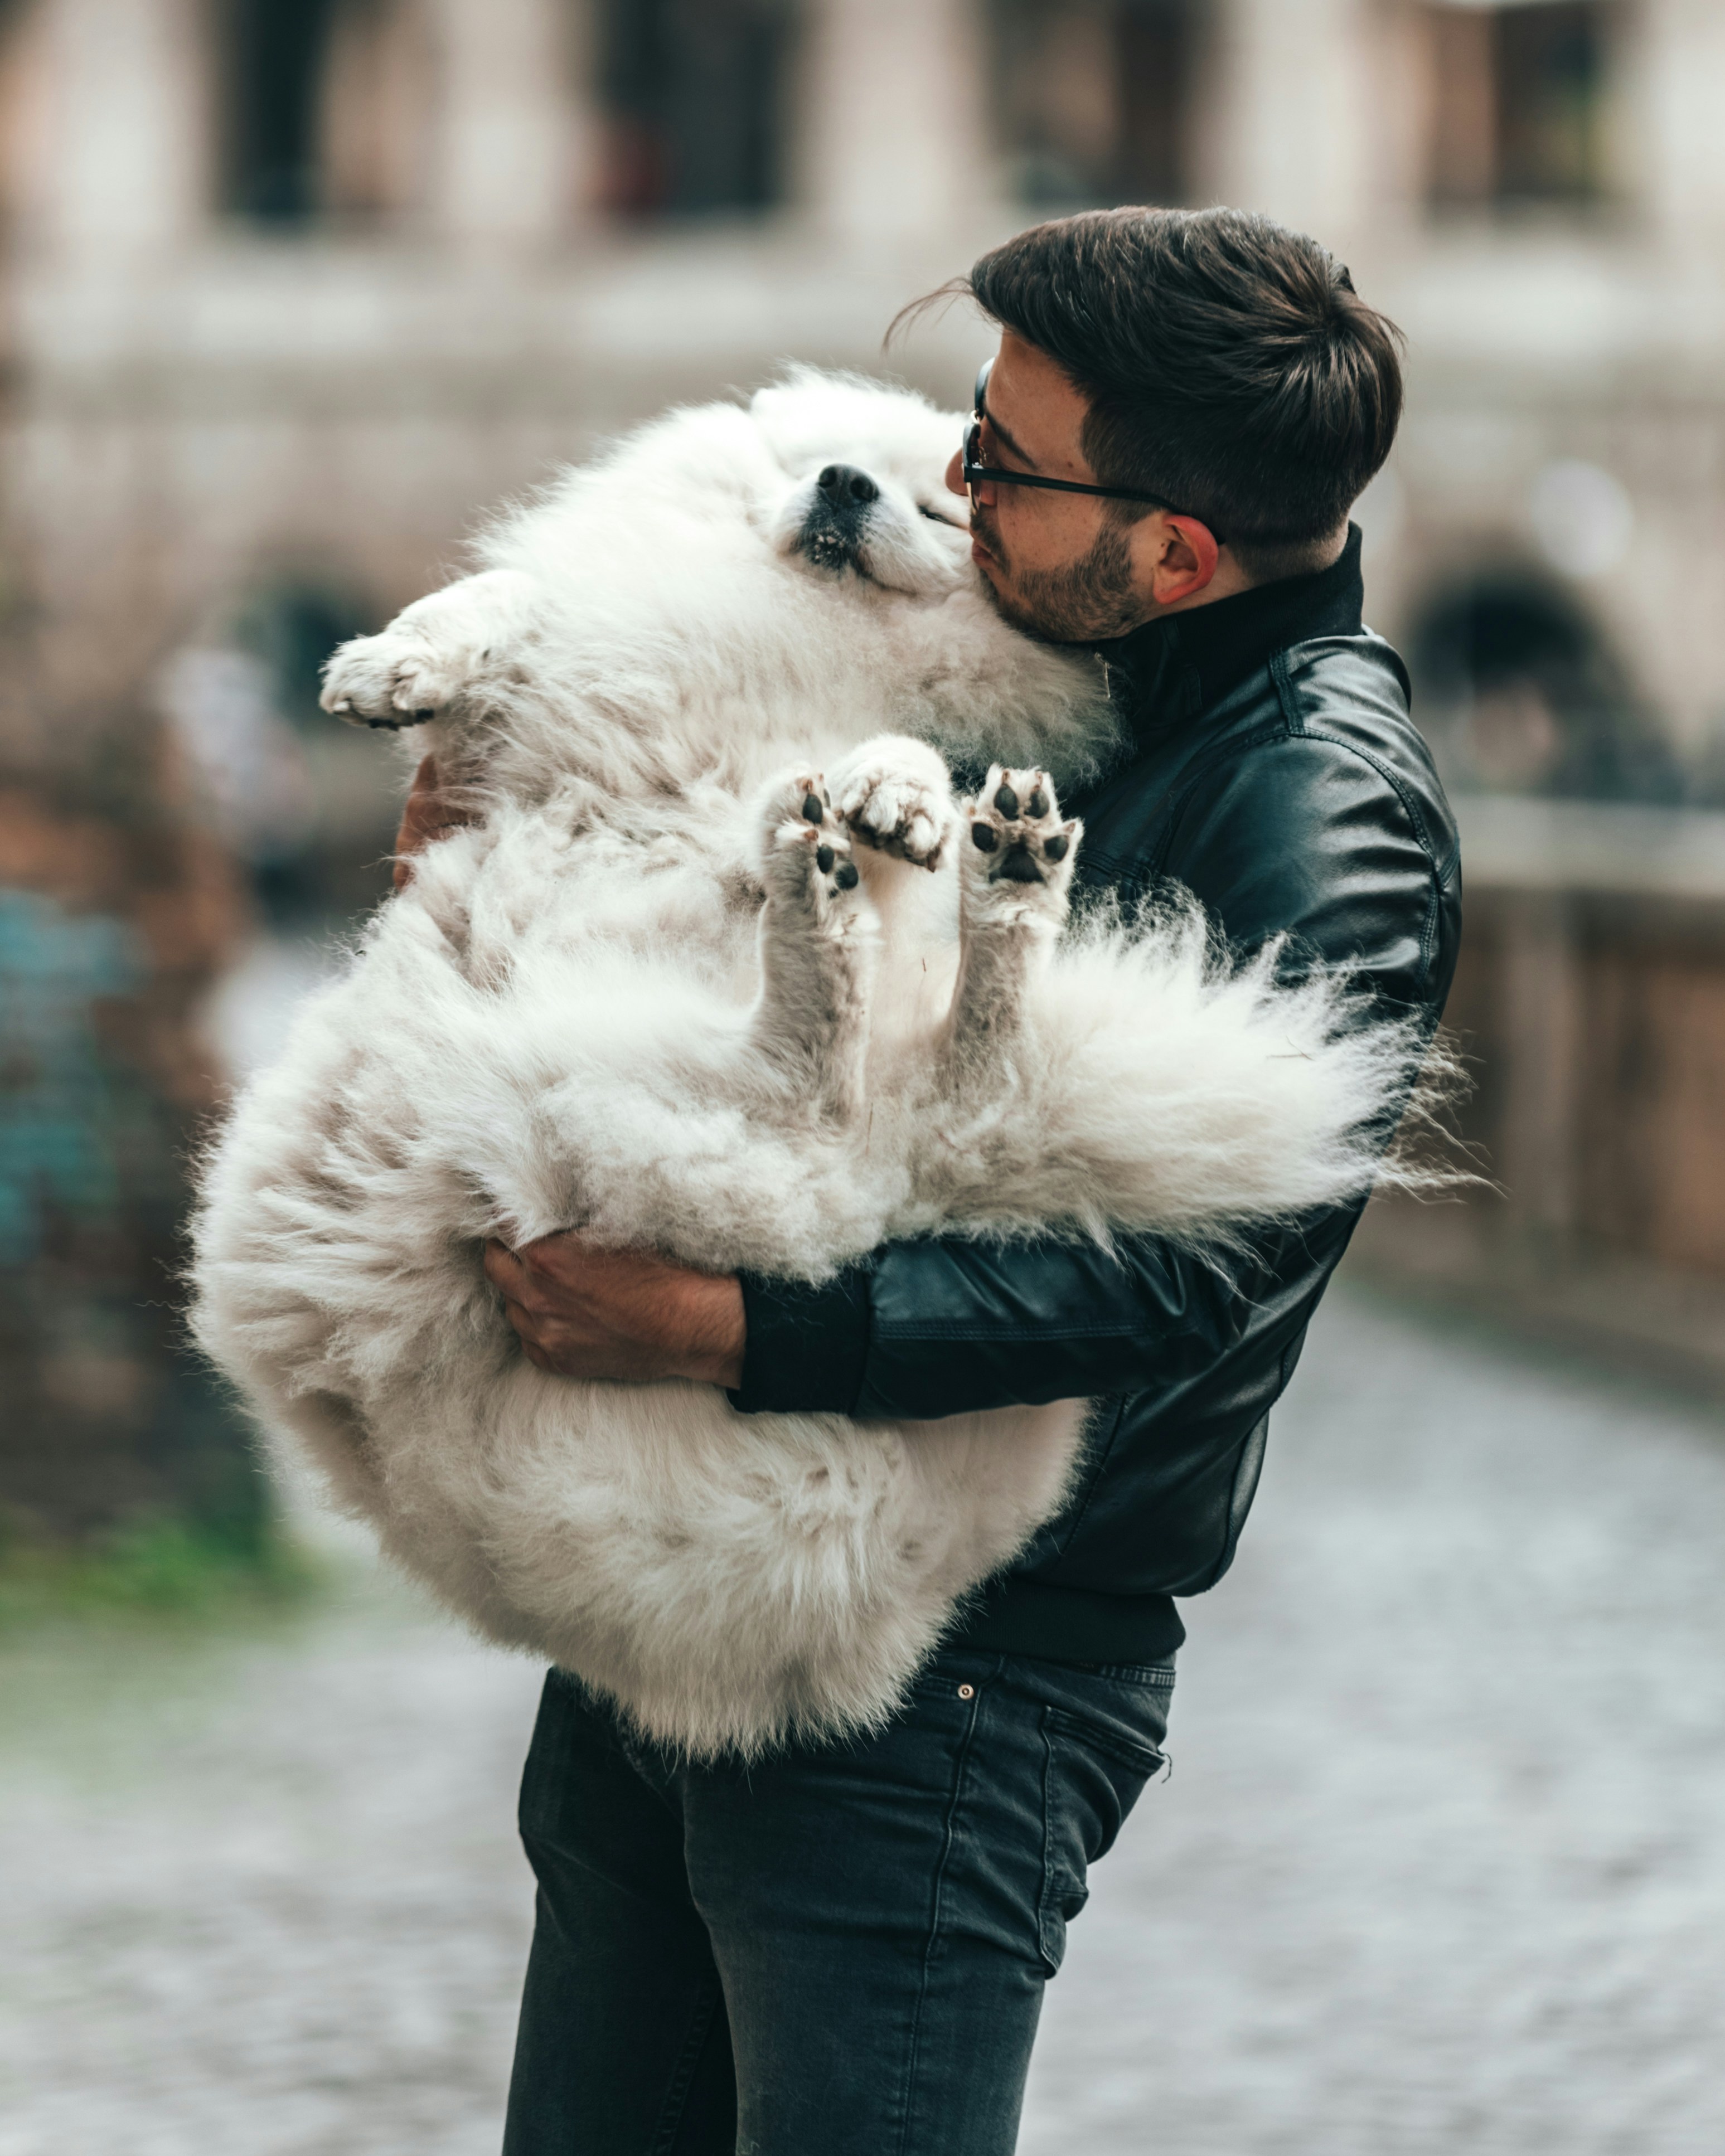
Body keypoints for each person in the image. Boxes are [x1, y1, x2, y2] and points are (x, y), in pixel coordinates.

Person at [397, 207, 1460, 2155]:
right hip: (693, 1611)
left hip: (949, 1692)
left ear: (1176, 550)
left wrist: (731, 1326)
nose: (955, 487)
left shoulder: (1321, 806)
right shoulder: (1044, 653)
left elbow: (1175, 1285)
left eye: (1008, 462)